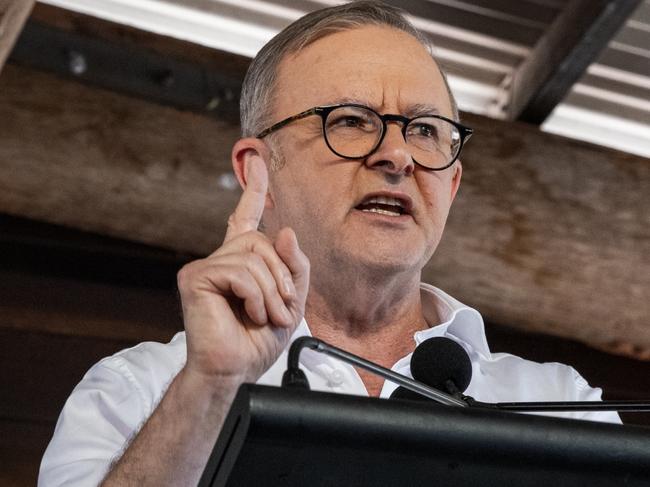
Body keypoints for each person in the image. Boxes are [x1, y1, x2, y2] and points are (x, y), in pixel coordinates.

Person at [38, 2, 620, 485]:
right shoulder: (138, 392)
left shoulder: (557, 403)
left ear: (452, 182)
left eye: (423, 130)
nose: (397, 155)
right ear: (259, 172)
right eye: (349, 120)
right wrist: (212, 386)